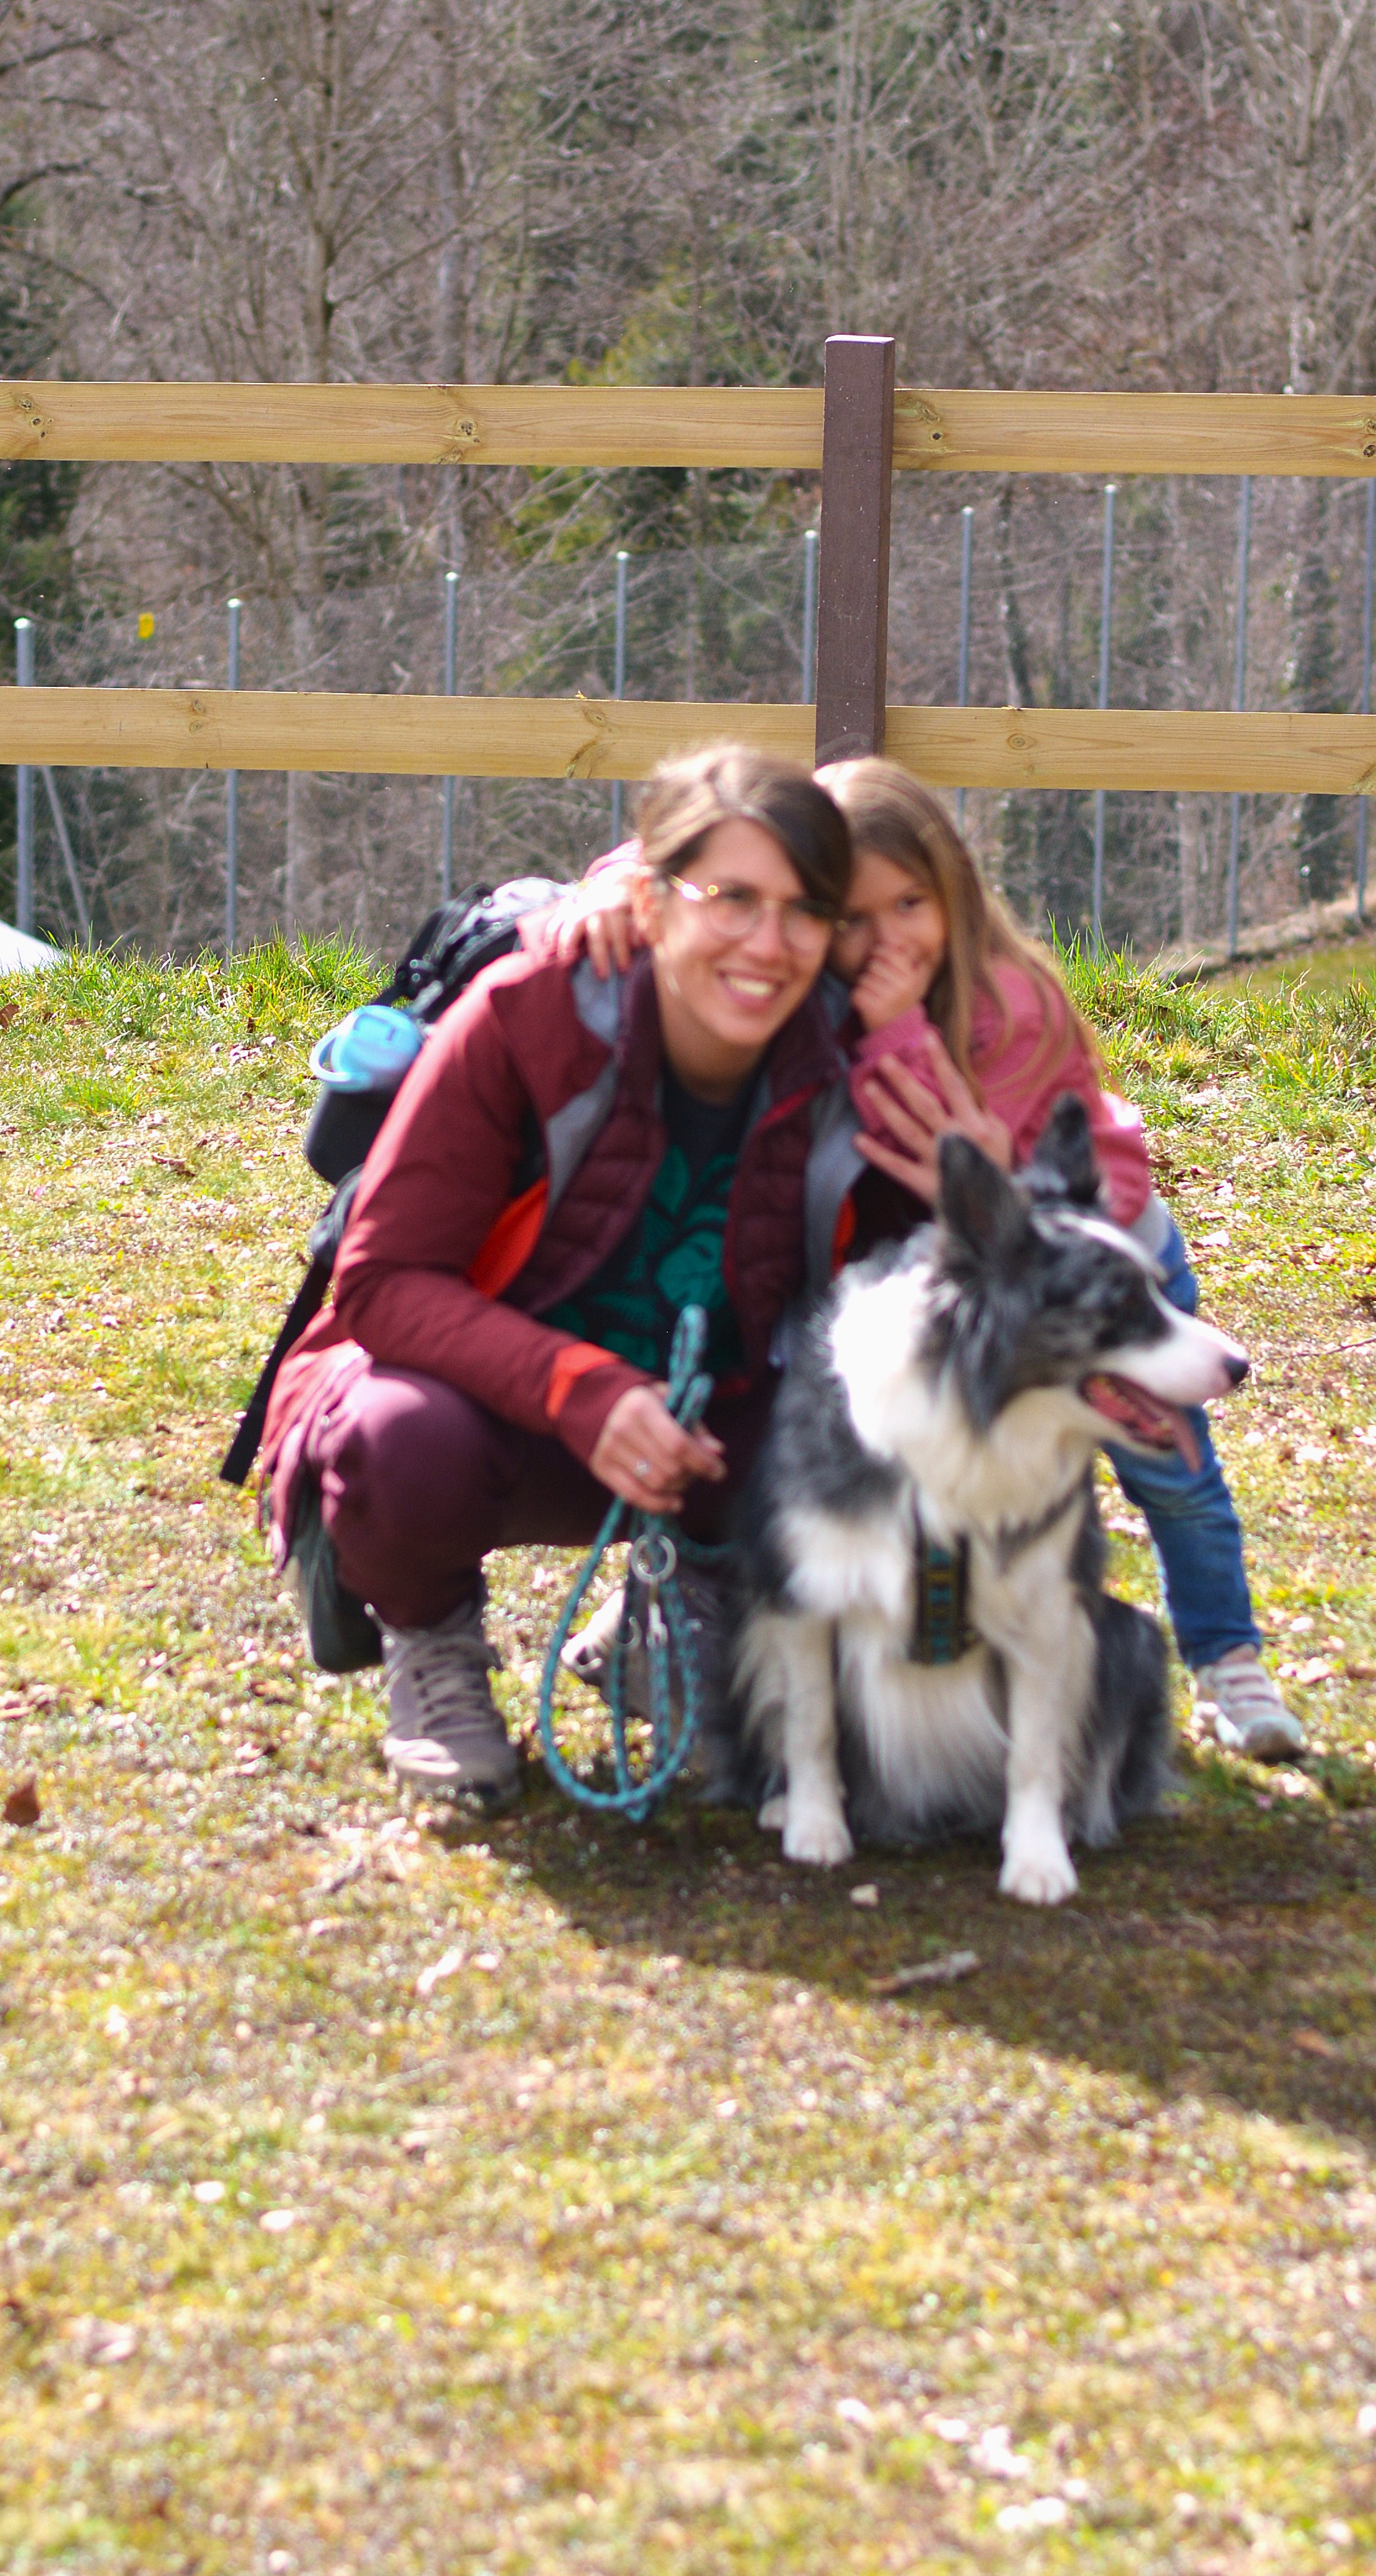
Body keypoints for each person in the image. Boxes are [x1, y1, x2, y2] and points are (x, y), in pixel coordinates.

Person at [539, 759, 1303, 1762]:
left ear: (954, 886)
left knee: (1172, 1470)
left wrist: (895, 1023)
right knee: (815, 1438)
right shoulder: (806, 984)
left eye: (911, 902)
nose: (890, 937)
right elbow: (693, 854)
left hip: (1107, 1267)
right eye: (856, 916)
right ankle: (657, 1608)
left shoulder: (1007, 1005)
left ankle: (1227, 1657)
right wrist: (609, 887)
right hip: (953, 1273)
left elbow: (952, 1158)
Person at [259, 744, 859, 1806]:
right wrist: (575, 1386)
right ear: (655, 900)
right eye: (731, 899)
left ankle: (680, 1617)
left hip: (711, 1432)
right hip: (491, 1411)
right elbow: (384, 1281)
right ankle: (431, 1644)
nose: (769, 945)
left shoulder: (854, 1053)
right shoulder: (531, 1012)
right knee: (400, 1440)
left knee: (866, 1414)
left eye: (804, 910)